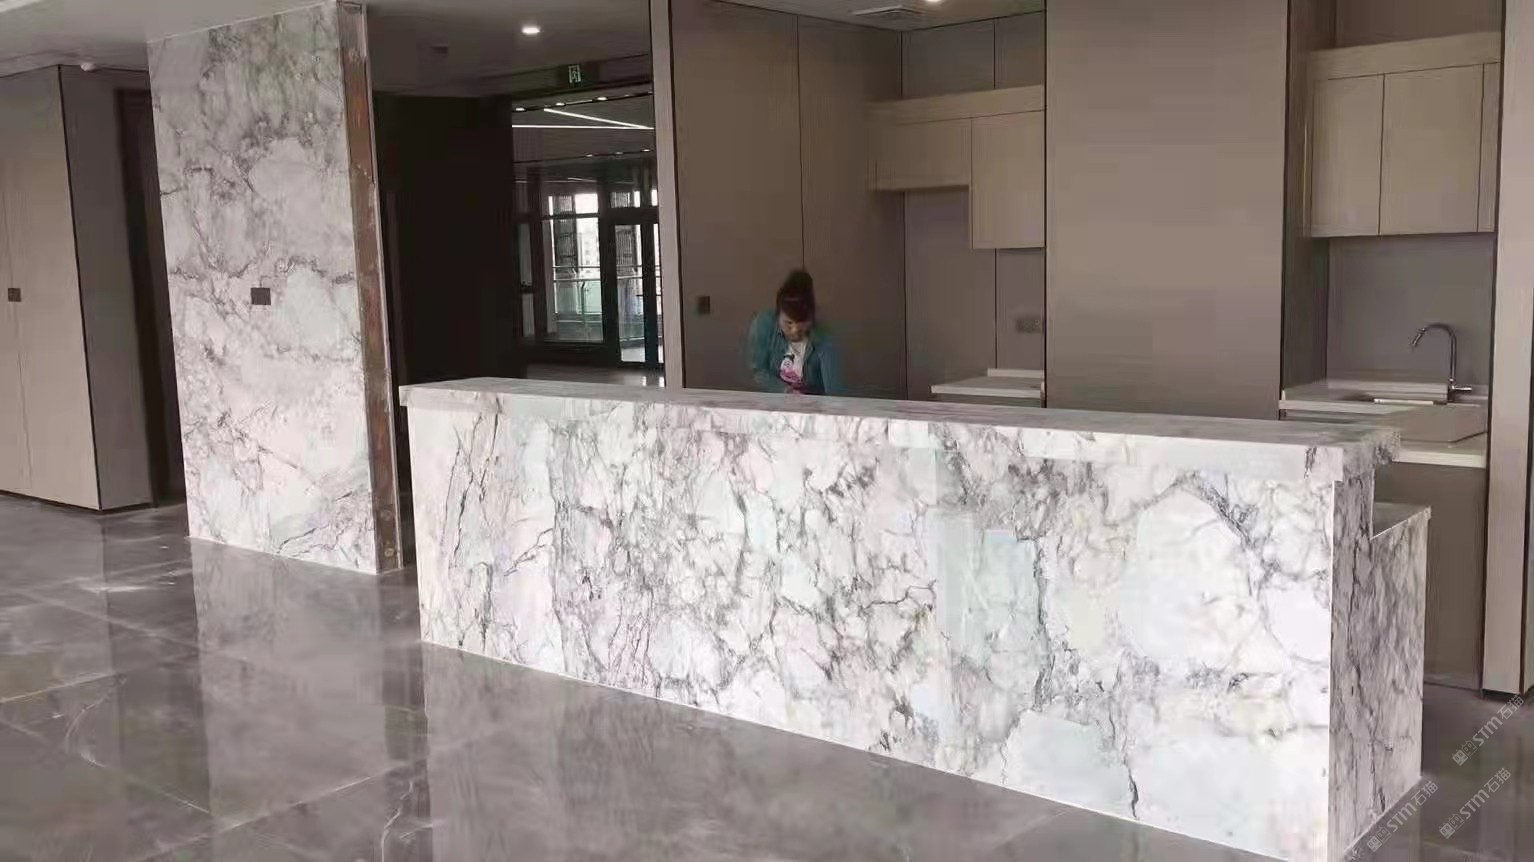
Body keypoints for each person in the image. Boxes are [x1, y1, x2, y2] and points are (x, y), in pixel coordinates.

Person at [748, 270, 844, 396]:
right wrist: (786, 390)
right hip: (774, 398)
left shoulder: (823, 337)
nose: (795, 331)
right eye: (788, 323)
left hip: (812, 402)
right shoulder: (764, 323)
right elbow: (759, 370)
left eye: (802, 324)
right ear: (778, 315)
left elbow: (833, 388)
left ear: (811, 318)